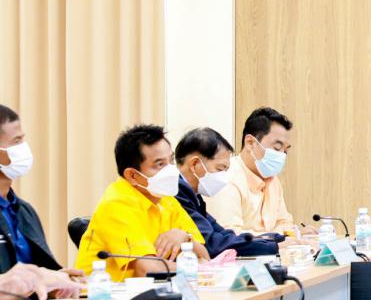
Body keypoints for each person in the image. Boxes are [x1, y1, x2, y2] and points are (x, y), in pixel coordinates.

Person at [76, 125, 208, 280]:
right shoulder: (117, 204)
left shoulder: (166, 199)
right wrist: (195, 265)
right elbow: (148, 270)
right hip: (101, 292)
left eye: (171, 161)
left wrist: (185, 237)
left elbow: (205, 256)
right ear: (132, 175)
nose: (171, 171)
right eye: (160, 164)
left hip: (153, 290)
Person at [174, 128, 284, 258]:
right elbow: (212, 244)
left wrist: (277, 239)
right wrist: (274, 246)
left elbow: (224, 234)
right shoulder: (176, 193)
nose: (223, 178)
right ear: (195, 164)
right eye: (220, 169)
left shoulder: (193, 196)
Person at [207, 107, 301, 236]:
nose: (282, 156)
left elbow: (285, 223)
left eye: (285, 151)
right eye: (277, 148)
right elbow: (230, 236)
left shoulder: (272, 180)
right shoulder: (226, 178)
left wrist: (292, 234)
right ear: (250, 143)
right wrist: (276, 237)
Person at [0, 104, 65, 273]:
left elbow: (41, 270)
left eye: (22, 140)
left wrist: (60, 277)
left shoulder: (25, 211)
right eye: (16, 141)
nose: (24, 148)